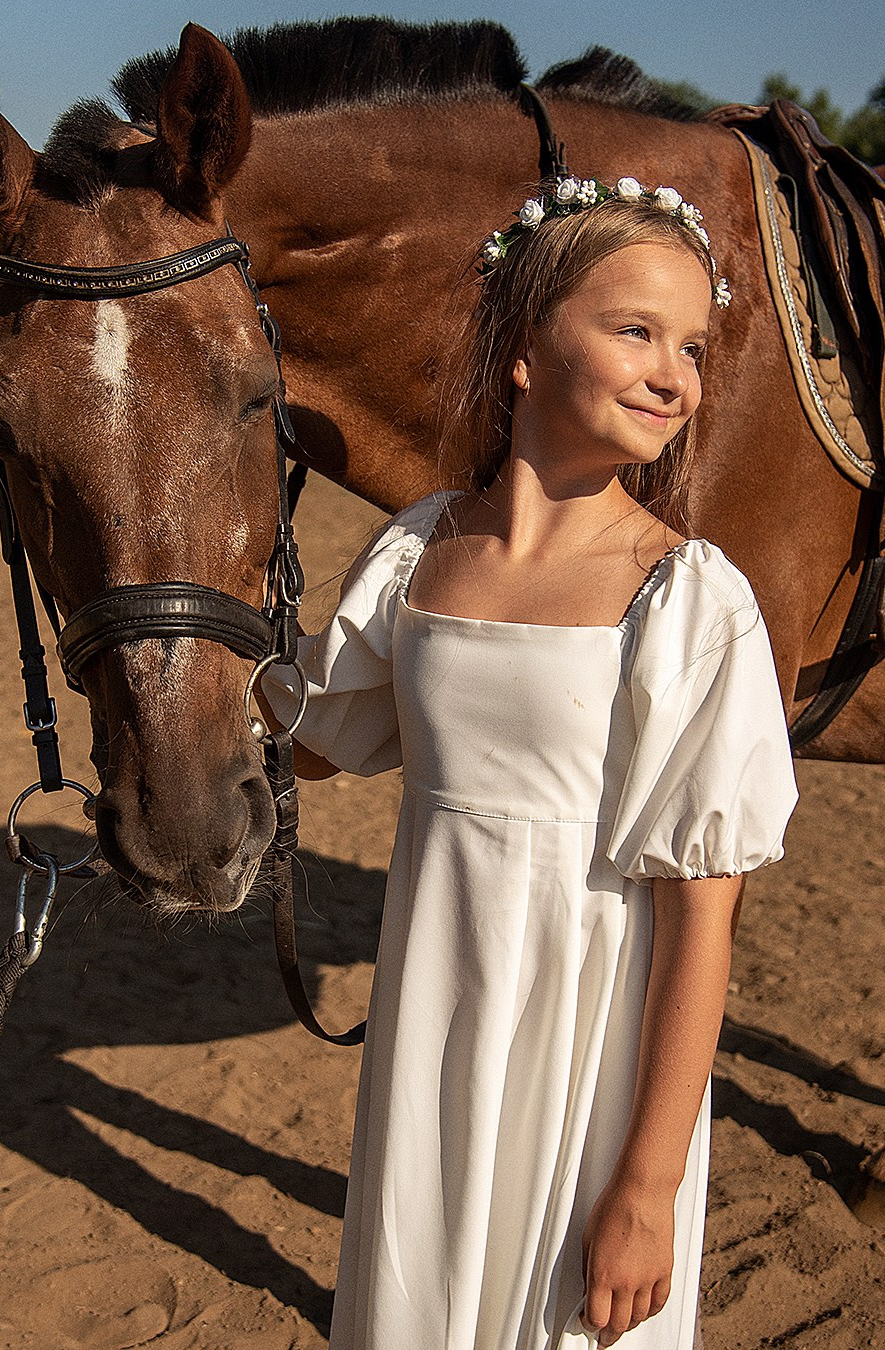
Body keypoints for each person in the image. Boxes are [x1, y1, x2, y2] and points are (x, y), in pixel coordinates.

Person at [262, 175, 798, 1349]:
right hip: (434, 1028)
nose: (676, 374)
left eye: (694, 345)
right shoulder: (419, 551)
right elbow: (299, 744)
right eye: (635, 330)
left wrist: (648, 1189)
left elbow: (703, 918)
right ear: (520, 347)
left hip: (590, 1059)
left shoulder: (689, 602)